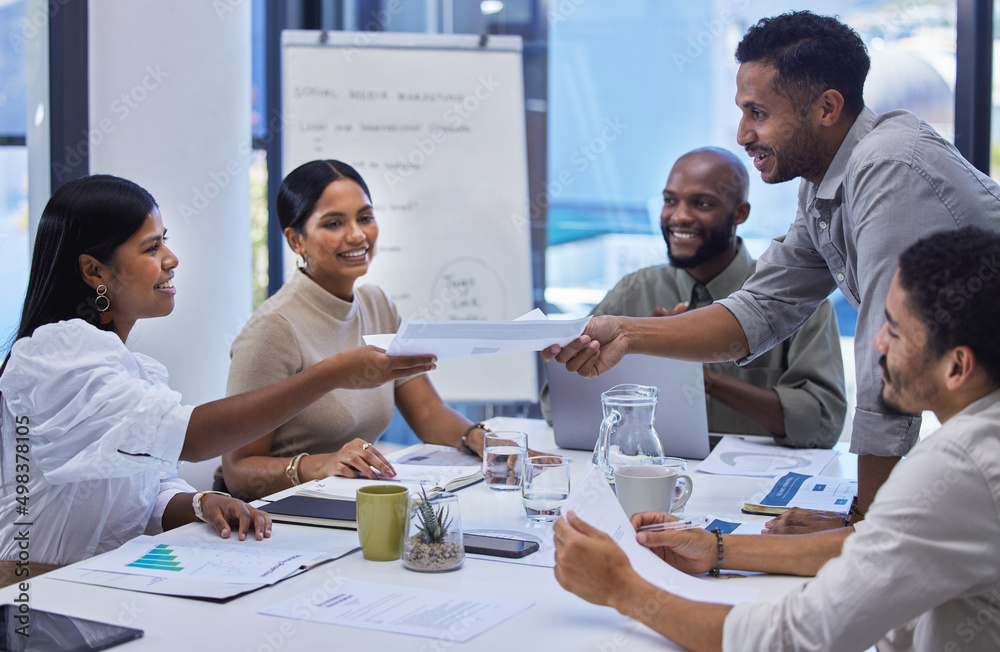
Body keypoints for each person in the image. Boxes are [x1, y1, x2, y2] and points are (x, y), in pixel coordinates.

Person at [544, 11, 1000, 532]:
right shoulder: (824, 185)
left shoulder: (888, 167)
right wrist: (627, 333)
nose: (742, 134)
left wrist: (865, 527)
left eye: (757, 113)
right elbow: (760, 309)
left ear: (827, 107)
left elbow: (888, 360)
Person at [553, 226, 1000, 651]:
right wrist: (719, 548)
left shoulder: (957, 467)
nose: (877, 343)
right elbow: (881, 546)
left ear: (957, 367)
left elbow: (796, 638)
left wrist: (622, 588)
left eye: (896, 332)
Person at [0, 175, 434, 582]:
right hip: (36, 589)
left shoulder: (122, 364)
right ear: (95, 272)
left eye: (164, 242)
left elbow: (136, 494)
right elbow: (191, 440)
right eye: (151, 248)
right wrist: (330, 374)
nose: (171, 259)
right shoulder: (56, 356)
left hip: (104, 582)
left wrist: (199, 503)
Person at [219, 160, 495, 500]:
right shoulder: (272, 329)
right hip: (277, 517)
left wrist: (475, 437)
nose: (357, 235)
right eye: (334, 223)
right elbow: (238, 471)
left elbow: (427, 412)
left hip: (350, 502)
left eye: (364, 217)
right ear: (296, 240)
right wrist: (322, 465)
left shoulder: (377, 304)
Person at [542, 147, 845, 446]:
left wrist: (698, 371)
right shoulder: (634, 291)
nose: (680, 217)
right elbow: (555, 408)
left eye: (702, 203)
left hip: (752, 487)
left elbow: (821, 424)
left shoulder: (793, 296)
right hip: (648, 480)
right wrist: (634, 355)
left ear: (740, 213)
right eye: (670, 201)